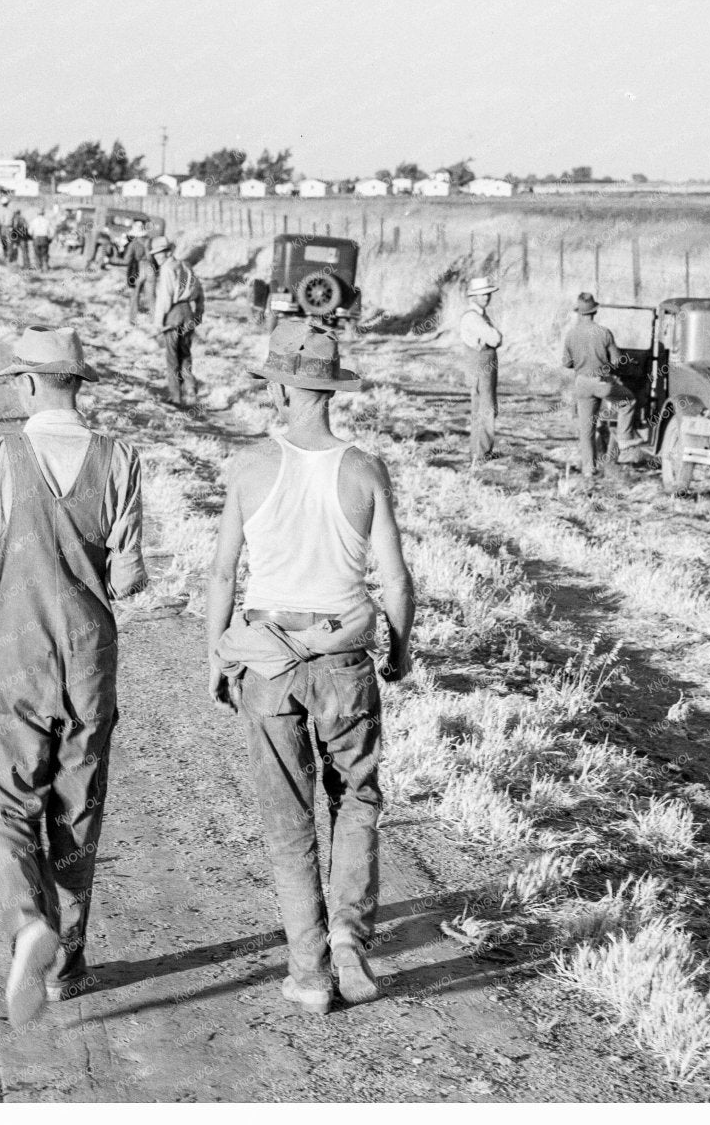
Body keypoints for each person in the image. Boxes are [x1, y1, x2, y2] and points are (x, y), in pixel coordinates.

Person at [0, 327, 146, 1026]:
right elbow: (130, 574)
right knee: (76, 810)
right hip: (89, 658)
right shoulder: (121, 458)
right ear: (77, 383)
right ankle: (66, 964)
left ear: (26, 384)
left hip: (19, 658)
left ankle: (29, 922)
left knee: (5, 801)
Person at [204, 322, 414, 1015]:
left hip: (269, 662)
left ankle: (310, 971)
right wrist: (400, 647)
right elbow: (396, 580)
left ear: (288, 387)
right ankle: (351, 937)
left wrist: (216, 650)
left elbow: (222, 569)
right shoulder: (364, 468)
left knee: (287, 819)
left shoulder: (251, 465)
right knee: (356, 798)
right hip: (343, 662)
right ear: (331, 389)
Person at [561, 292, 640, 477]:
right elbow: (618, 360)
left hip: (582, 383)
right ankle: (625, 438)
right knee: (628, 401)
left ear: (579, 313)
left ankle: (588, 470)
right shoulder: (604, 332)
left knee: (587, 428)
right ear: (595, 311)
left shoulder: (571, 334)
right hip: (602, 382)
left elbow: (566, 363)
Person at [148, 236, 204, 407]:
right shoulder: (186, 265)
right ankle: (191, 391)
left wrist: (158, 323)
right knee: (185, 355)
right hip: (189, 312)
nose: (157, 258)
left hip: (173, 314)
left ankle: (175, 397)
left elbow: (164, 298)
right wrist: (199, 312)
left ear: (167, 253)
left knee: (172, 358)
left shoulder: (166, 269)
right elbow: (200, 290)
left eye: (159, 254)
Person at [456, 275, 502, 462]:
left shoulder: (480, 315)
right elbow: (496, 339)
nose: (486, 297)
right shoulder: (474, 317)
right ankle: (481, 452)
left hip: (483, 366)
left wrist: (493, 336)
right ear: (473, 296)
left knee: (483, 408)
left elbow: (493, 338)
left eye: (488, 294)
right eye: (482, 294)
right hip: (481, 367)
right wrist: (494, 335)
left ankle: (480, 450)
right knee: (486, 409)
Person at [121, 224, 154, 320]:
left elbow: (126, 260)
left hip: (139, 269)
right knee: (151, 296)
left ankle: (132, 319)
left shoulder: (134, 244)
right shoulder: (150, 242)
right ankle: (154, 318)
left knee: (135, 295)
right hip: (150, 269)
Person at [29, 205, 53, 270]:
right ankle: (45, 268)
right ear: (43, 213)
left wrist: (32, 237)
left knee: (37, 255)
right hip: (44, 238)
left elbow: (30, 232)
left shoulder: (33, 221)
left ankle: (39, 268)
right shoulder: (47, 221)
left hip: (36, 239)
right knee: (44, 254)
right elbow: (52, 232)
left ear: (37, 213)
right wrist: (50, 239)